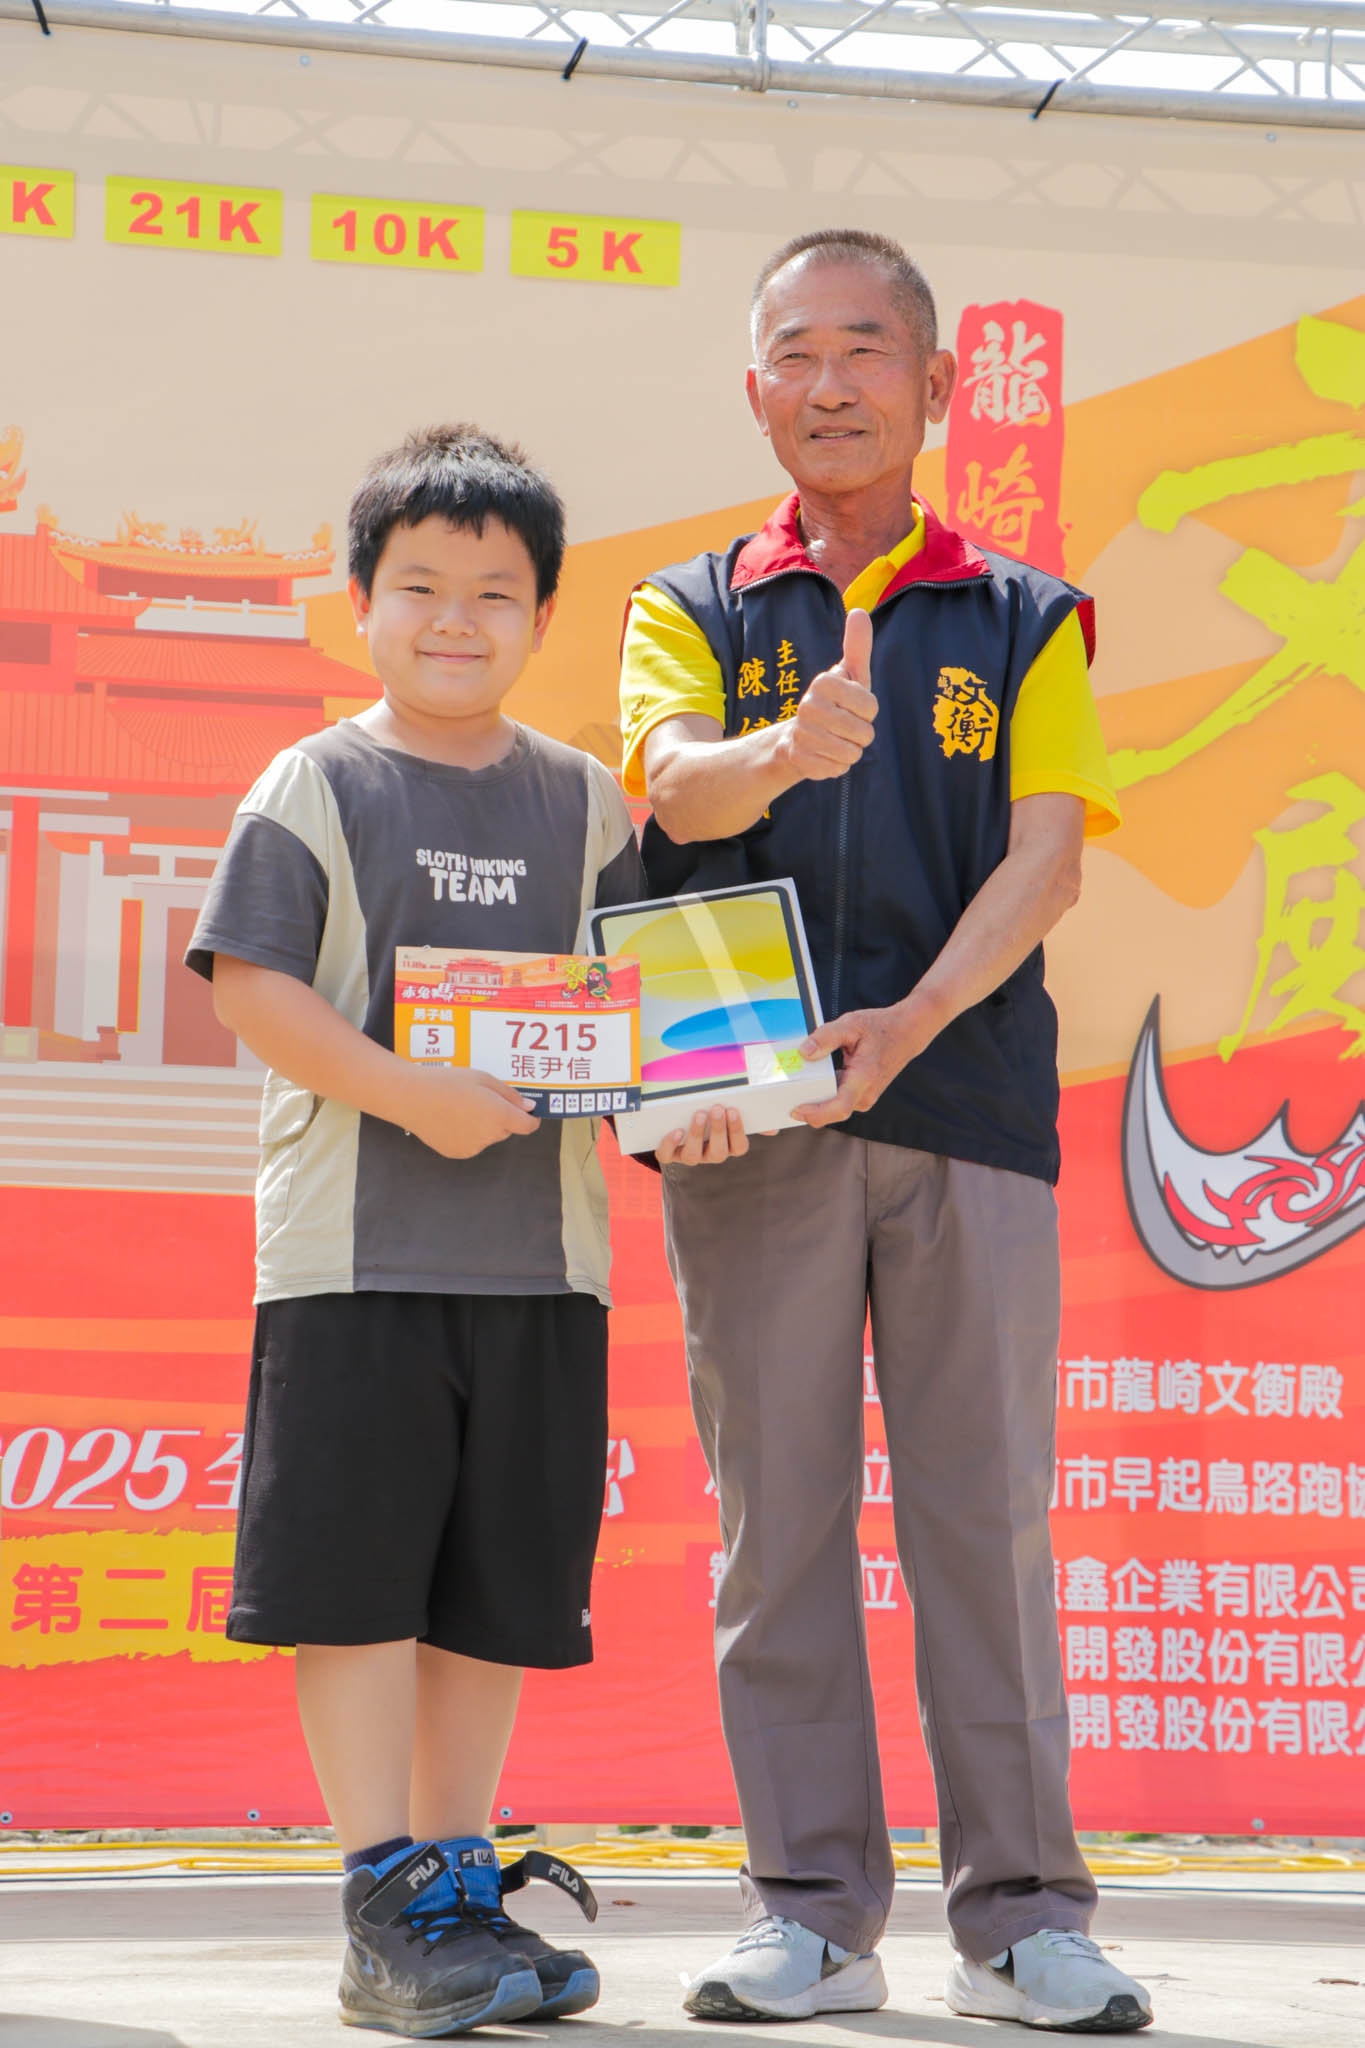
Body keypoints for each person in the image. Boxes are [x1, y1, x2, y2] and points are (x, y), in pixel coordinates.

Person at [621, 230, 1154, 2033]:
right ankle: (808, 1916)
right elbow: (668, 782)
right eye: (794, 351)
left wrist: (913, 1020)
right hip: (745, 1120)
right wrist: (786, 751)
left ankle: (1021, 1924)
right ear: (751, 389)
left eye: (864, 349)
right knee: (774, 1527)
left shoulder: (1022, 615)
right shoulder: (690, 603)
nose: (828, 382)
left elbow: (1048, 857)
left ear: (932, 388)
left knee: (981, 1526)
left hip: (965, 1107)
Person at [186, 424, 644, 2038]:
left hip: (544, 1269)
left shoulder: (587, 800)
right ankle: (382, 1901)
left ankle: (456, 1883)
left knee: (494, 1591)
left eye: (495, 593)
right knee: (359, 1585)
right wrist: (408, 1094)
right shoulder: (315, 782)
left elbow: (641, 1015)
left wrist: (702, 1098)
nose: (457, 620)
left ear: (542, 617)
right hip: (354, 1264)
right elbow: (252, 986)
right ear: (361, 604)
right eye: (422, 587)